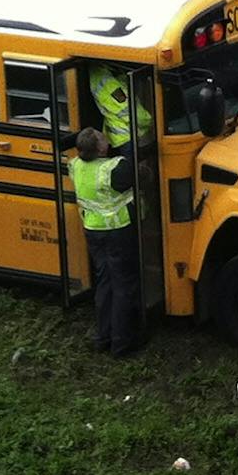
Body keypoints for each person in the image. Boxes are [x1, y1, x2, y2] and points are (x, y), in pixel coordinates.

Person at [70, 128, 142, 355]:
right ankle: (122, 343)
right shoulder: (114, 169)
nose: (105, 136)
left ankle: (103, 337)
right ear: (100, 148)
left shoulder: (75, 165)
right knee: (123, 285)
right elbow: (141, 174)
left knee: (104, 283)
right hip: (117, 231)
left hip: (93, 230)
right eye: (101, 137)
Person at [88, 64, 153, 152]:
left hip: (125, 134)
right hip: (127, 135)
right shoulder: (106, 81)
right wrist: (150, 121)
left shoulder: (109, 72)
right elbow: (129, 110)